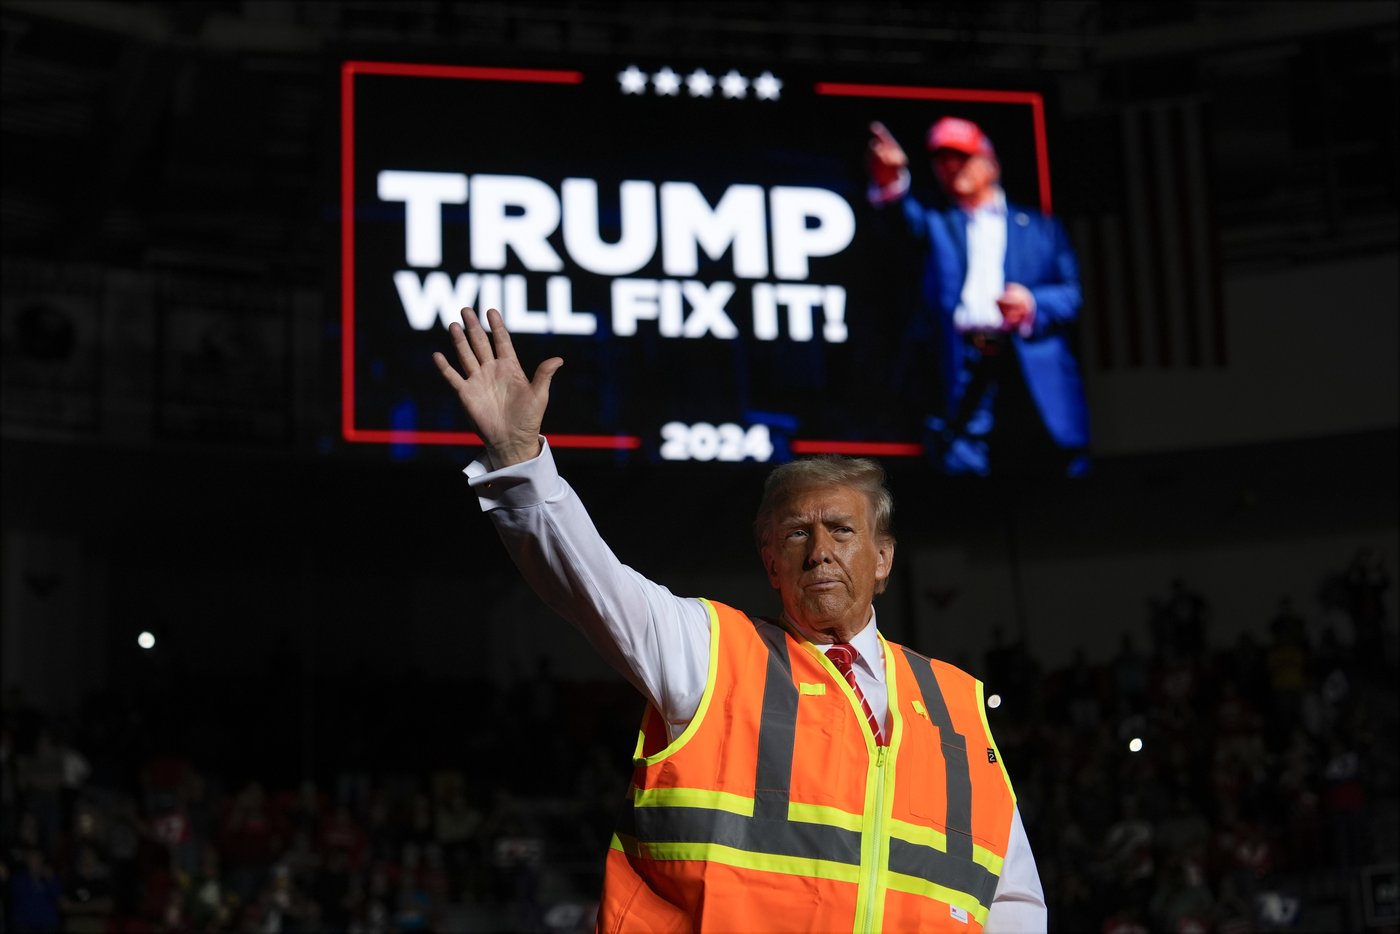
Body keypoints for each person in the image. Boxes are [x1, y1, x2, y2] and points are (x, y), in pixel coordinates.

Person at [432, 306, 1046, 932]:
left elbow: (1012, 901)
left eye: (842, 530)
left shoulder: (960, 705)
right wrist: (519, 461)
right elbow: (590, 585)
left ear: (884, 559)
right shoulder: (711, 652)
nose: (821, 550)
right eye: (797, 533)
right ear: (772, 562)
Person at [867, 117, 1091, 476]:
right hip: (962, 365)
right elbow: (901, 223)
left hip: (1026, 365)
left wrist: (1032, 303)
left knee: (1047, 479)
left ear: (990, 162)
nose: (951, 167)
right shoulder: (937, 222)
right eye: (942, 160)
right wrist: (891, 181)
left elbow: (1072, 295)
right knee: (965, 479)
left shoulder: (1039, 227)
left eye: (961, 156)